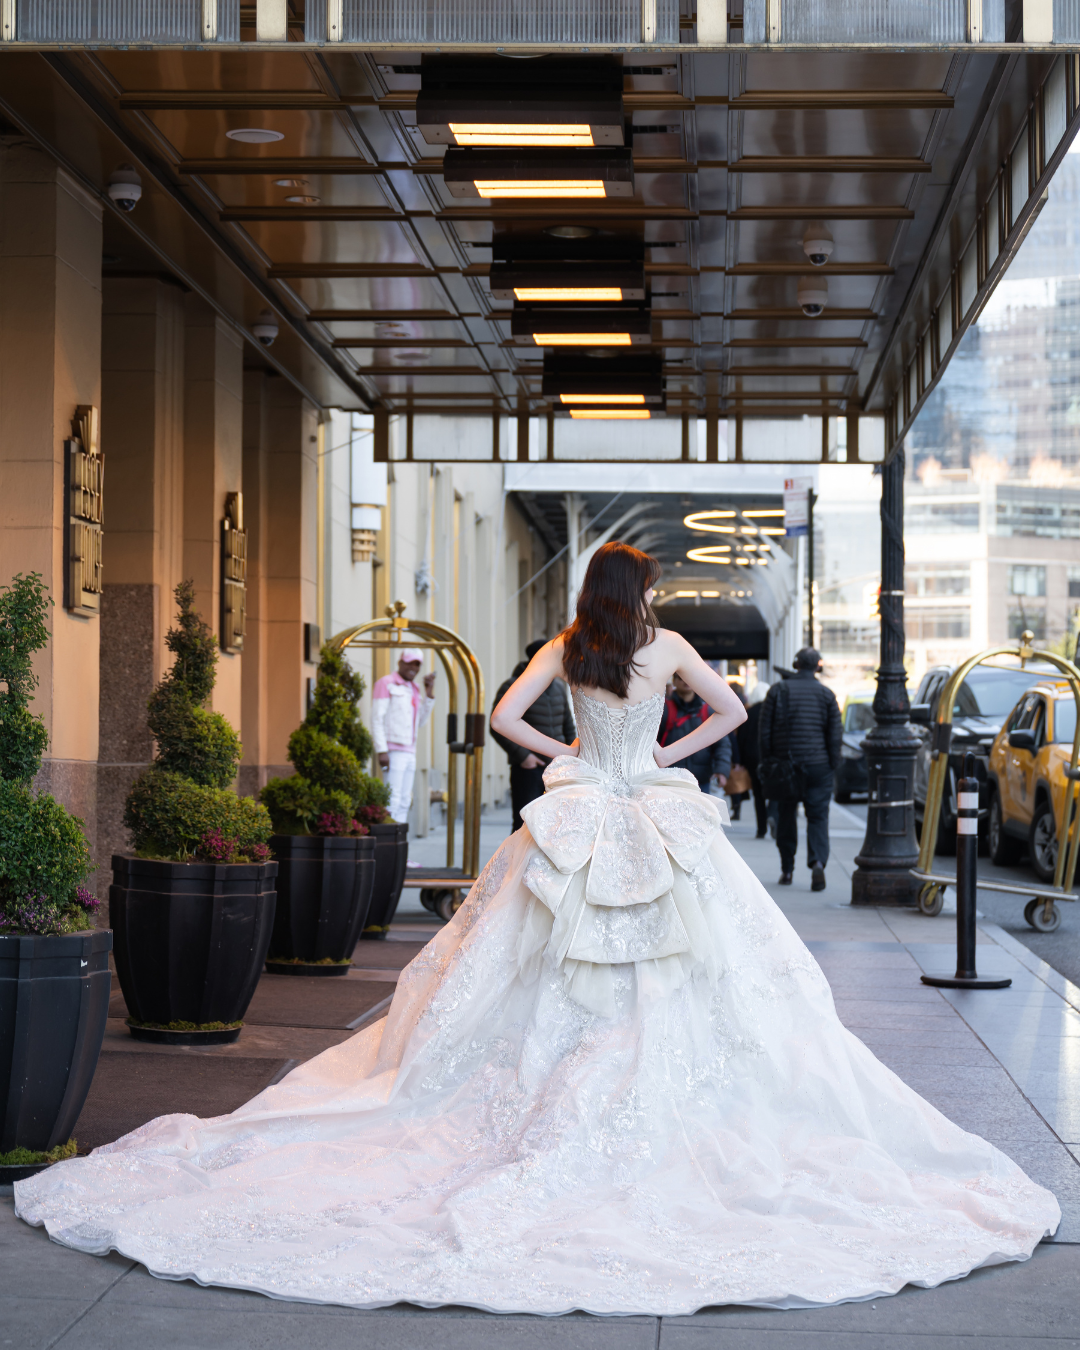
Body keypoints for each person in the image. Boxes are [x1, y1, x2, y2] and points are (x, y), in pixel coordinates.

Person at [15, 542, 1057, 1315]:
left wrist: (564, 759)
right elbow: (730, 715)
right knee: (695, 968)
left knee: (514, 967)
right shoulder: (671, 649)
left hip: (579, 810)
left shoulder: (571, 647)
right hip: (648, 804)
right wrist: (666, 754)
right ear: (639, 596)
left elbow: (508, 719)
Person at [759, 648, 842, 890]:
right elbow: (835, 735)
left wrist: (767, 762)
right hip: (819, 766)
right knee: (818, 816)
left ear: (796, 665)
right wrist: (832, 765)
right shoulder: (827, 695)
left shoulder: (777, 691)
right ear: (818, 666)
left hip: (786, 766)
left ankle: (787, 869)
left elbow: (765, 732)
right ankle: (817, 862)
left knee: (786, 816)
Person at [491, 637, 576, 833]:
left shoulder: (558, 688)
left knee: (555, 824)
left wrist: (571, 758)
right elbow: (498, 726)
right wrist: (524, 757)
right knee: (524, 824)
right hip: (529, 769)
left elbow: (568, 725)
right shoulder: (513, 686)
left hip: (557, 768)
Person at [370, 648, 435, 824]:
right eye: (409, 662)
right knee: (393, 797)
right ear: (400, 662)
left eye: (417, 664)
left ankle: (400, 840)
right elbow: (376, 718)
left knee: (406, 799)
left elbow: (419, 721)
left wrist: (428, 696)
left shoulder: (414, 688)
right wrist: (381, 750)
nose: (413, 667)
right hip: (393, 750)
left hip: (409, 751)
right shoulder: (387, 683)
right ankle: (390, 839)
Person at [658, 671, 733, 792]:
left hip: (701, 781)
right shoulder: (664, 709)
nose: (685, 681)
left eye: (688, 676)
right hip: (670, 781)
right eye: (681, 678)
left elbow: (722, 744)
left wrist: (721, 770)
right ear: (675, 681)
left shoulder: (707, 711)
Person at [738, 679, 771, 837]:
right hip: (769, 758)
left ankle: (761, 829)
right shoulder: (773, 711)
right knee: (773, 791)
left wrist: (741, 761)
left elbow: (741, 738)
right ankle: (772, 815)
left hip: (752, 759)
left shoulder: (748, 713)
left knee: (758, 795)